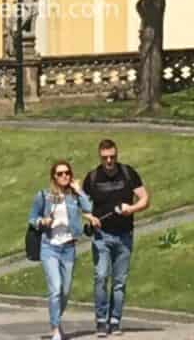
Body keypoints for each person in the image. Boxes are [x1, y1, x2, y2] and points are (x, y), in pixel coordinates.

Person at [83, 138, 150, 337]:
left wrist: (132, 209)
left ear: (117, 155)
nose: (109, 161)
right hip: (101, 236)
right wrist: (91, 217)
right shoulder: (93, 177)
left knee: (119, 281)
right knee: (101, 276)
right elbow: (81, 204)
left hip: (124, 235)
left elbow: (145, 198)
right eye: (105, 158)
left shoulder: (128, 173)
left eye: (112, 157)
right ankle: (101, 321)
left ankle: (115, 320)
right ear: (100, 157)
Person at [28, 159, 98, 340]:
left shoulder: (73, 196)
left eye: (67, 172)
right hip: (49, 246)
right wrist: (42, 222)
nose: (65, 176)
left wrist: (79, 190)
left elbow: (89, 208)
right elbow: (32, 218)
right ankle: (55, 329)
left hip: (68, 248)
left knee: (65, 291)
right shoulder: (43, 196)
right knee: (56, 288)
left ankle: (56, 321)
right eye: (60, 173)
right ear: (54, 177)